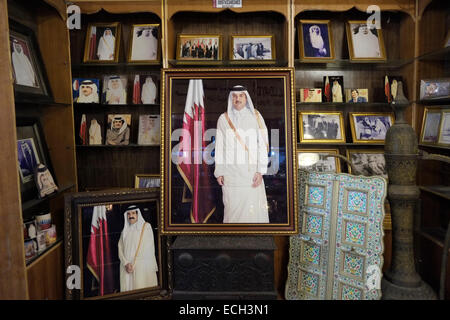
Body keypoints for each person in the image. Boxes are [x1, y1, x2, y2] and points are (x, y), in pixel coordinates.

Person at [214, 85, 269, 223]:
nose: (237, 99)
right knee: (232, 213)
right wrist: (219, 171)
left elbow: (263, 145)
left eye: (241, 96)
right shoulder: (223, 119)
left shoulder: (255, 116)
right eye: (234, 96)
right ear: (231, 98)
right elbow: (219, 147)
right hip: (230, 175)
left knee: (253, 213)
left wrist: (260, 171)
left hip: (250, 175)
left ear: (246, 97)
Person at [118, 205, 158, 292]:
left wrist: (133, 264)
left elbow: (147, 248)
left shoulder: (146, 227)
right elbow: (120, 248)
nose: (130, 216)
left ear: (138, 214)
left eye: (133, 213)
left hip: (140, 268)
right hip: (126, 267)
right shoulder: (124, 231)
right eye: (128, 214)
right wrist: (126, 263)